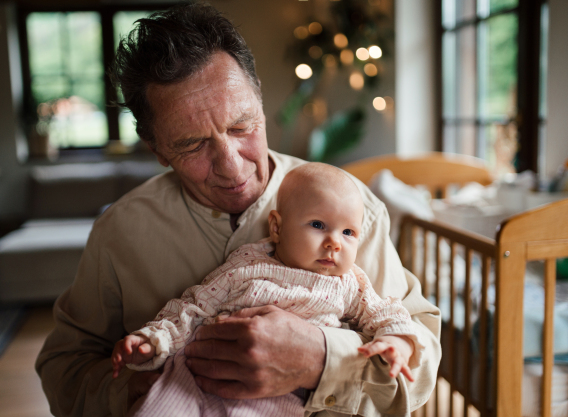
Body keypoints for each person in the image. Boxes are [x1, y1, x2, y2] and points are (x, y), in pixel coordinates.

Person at [35, 3, 441, 417]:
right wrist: (139, 390)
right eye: (192, 144)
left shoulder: (353, 210)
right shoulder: (119, 233)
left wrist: (323, 361)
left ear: (260, 100)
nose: (232, 166)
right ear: (157, 150)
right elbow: (63, 367)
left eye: (242, 126)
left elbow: (421, 358)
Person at [112, 163, 423, 416]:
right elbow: (196, 305)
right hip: (196, 374)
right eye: (318, 225)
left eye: (348, 232)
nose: (334, 242)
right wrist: (154, 339)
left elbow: (385, 312)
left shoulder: (349, 284)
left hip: (278, 394)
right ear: (277, 227)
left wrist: (397, 341)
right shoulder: (248, 263)